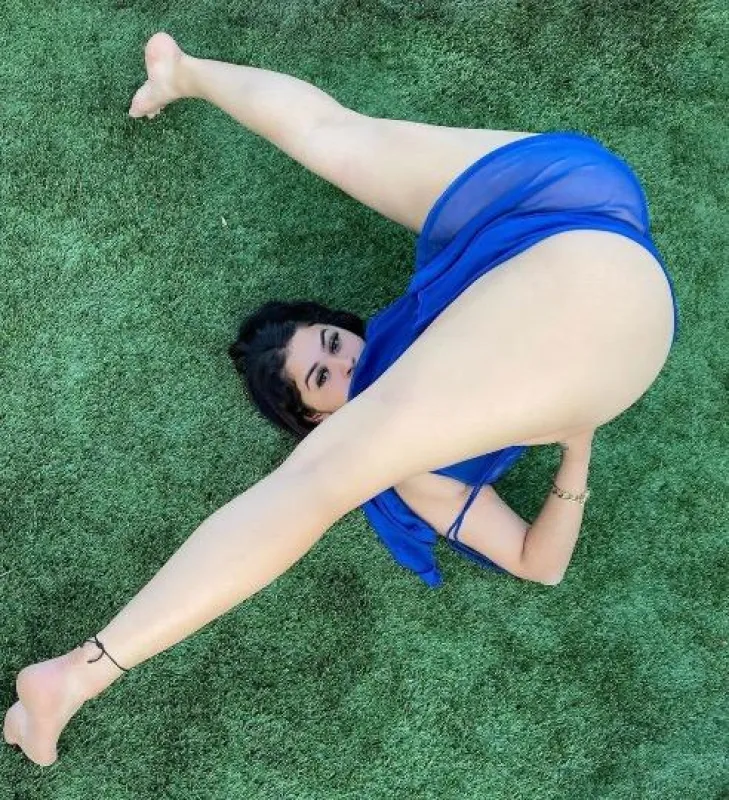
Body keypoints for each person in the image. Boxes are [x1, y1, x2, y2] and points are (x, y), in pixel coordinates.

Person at [3, 32, 678, 766]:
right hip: (600, 249)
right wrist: (576, 448)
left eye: (331, 342)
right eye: (322, 379)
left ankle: (185, 72)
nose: (345, 359)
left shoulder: (423, 358)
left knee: (338, 136)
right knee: (321, 476)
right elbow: (535, 562)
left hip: (551, 215)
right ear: (318, 419)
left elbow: (323, 127)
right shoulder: (413, 468)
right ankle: (79, 674)